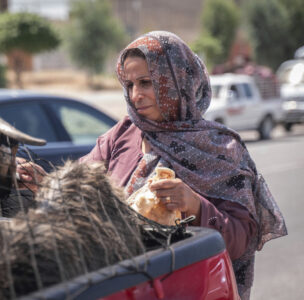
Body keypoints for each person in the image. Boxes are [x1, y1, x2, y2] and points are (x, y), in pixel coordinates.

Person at [18, 31, 287, 300]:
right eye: (130, 85)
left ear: (176, 81)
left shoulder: (222, 148)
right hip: (118, 286)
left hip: (187, 288)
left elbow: (242, 240)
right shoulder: (121, 135)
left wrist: (194, 205)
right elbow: (83, 192)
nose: (136, 96)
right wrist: (46, 183)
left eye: (146, 82)